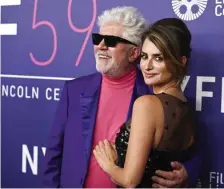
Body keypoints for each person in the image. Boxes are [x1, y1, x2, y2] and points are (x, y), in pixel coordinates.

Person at [43, 6, 201, 188]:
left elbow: (191, 150)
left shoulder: (156, 95)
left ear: (134, 52)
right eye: (97, 38)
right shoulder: (74, 90)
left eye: (110, 41)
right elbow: (54, 152)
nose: (100, 46)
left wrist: (186, 174)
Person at [93, 17, 196, 188]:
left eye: (158, 58)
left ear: (181, 61)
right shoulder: (186, 106)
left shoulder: (146, 104)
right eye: (144, 56)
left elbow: (130, 181)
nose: (146, 66)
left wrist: (108, 164)